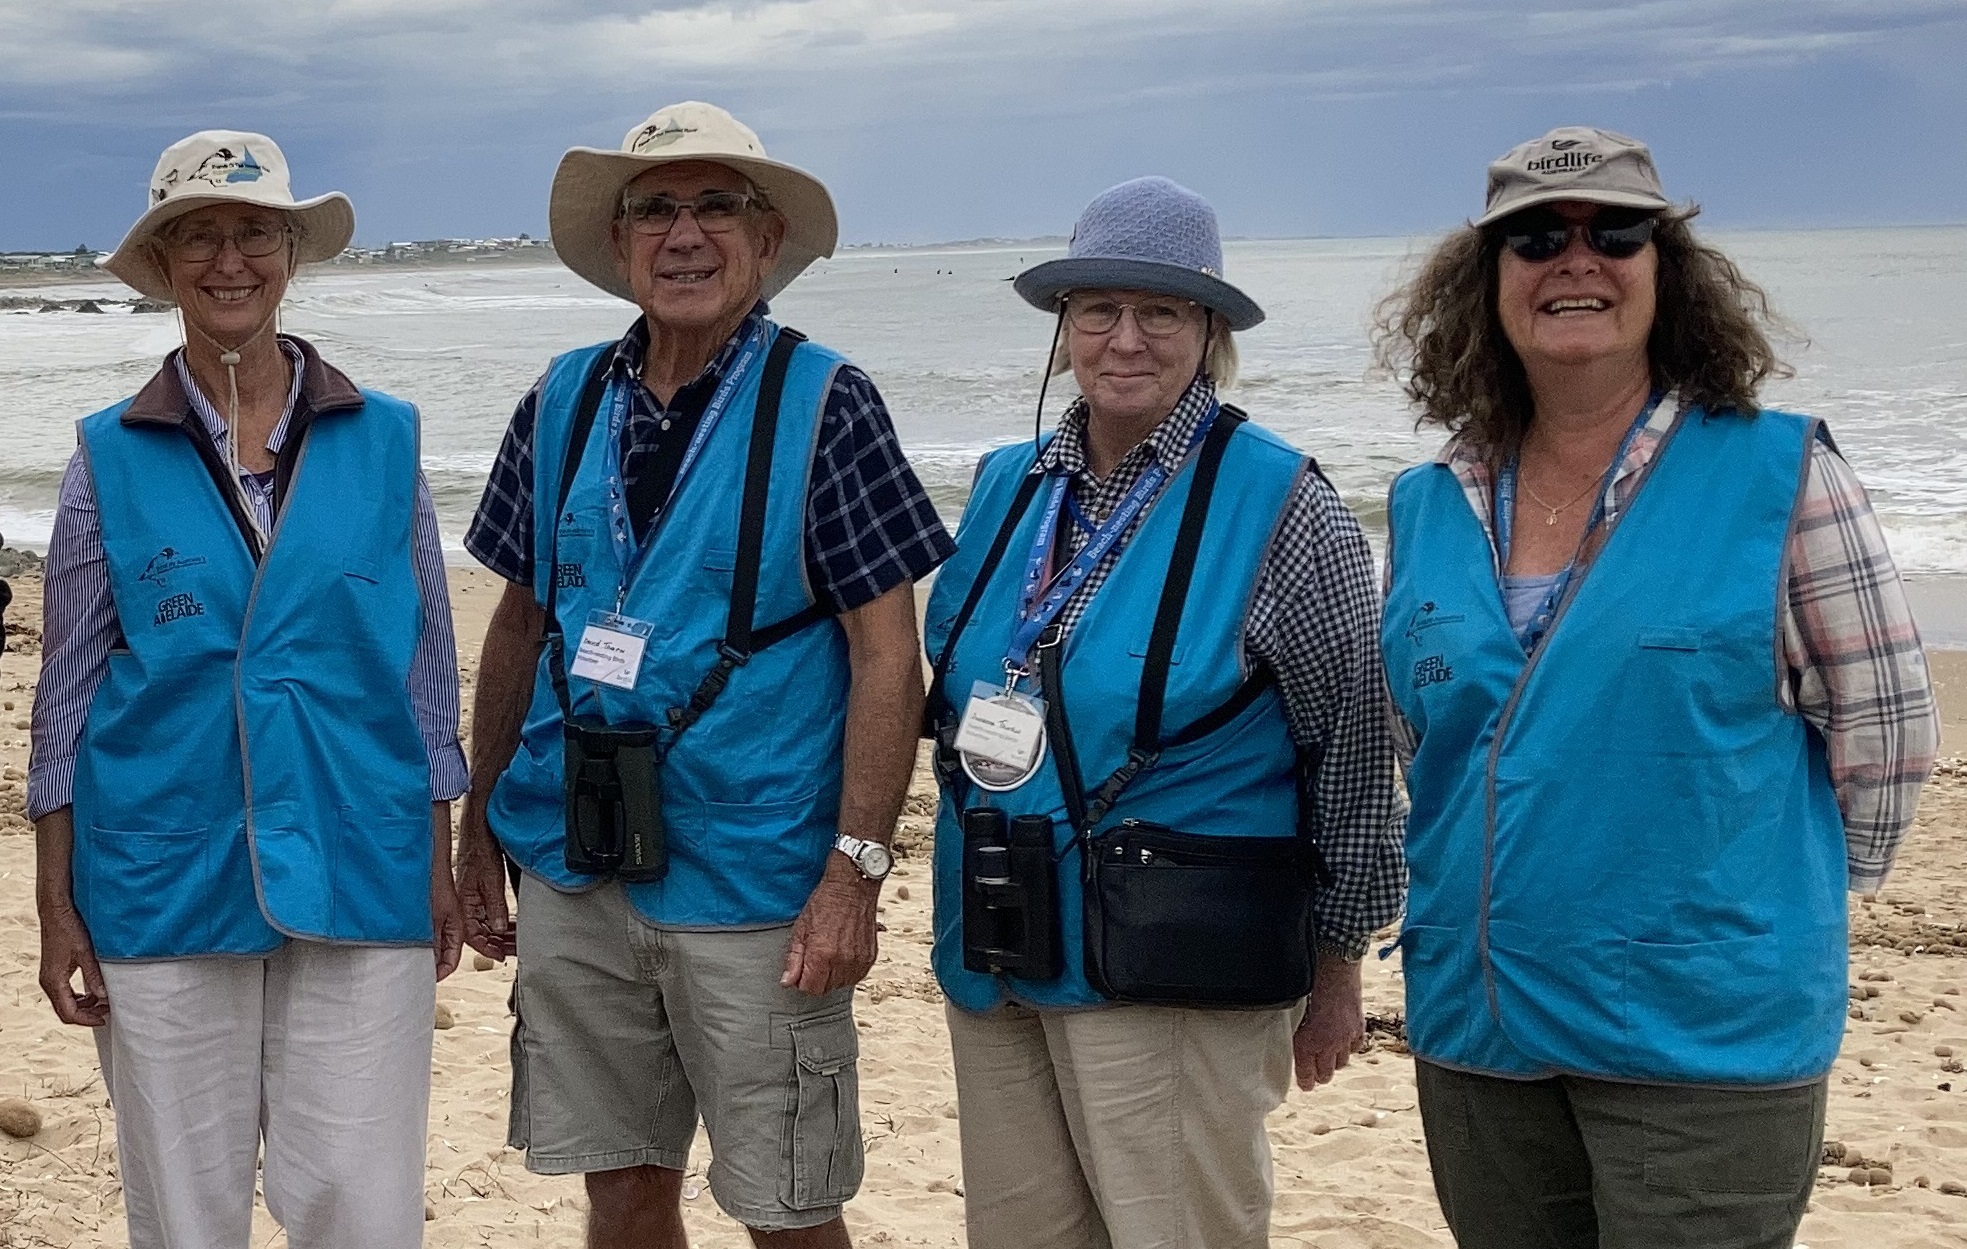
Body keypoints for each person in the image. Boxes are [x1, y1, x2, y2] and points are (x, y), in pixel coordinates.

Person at [1375, 126, 1940, 1248]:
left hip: (1701, 1045)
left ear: (1663, 272)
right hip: (1478, 1035)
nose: (1574, 260)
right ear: (1483, 284)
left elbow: (1886, 740)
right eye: (1535, 238)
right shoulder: (1427, 498)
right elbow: (1426, 739)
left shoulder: (1782, 475)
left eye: (1614, 233)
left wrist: (1755, 912)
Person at [453, 101, 952, 1248]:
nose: (685, 234)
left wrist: (854, 872)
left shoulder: (827, 401)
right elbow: (519, 624)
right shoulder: (562, 397)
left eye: (715, 206)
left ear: (765, 240)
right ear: (621, 243)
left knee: (786, 1202)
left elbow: (889, 653)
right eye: (655, 210)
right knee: (619, 1184)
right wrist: (477, 827)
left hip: (761, 881)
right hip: (576, 866)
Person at [922, 176, 1405, 1249]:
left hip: (1174, 957)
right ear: (1063, 326)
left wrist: (1337, 964)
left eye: (1163, 312)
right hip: (999, 942)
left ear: (1210, 331)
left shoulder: (1284, 502)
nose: (1124, 339)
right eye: (1096, 309)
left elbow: (1355, 754)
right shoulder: (1008, 484)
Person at [29, 130, 467, 1248]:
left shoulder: (385, 439)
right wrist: (54, 895)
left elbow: (423, 670)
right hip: (161, 866)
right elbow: (68, 689)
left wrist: (439, 853)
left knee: (357, 1203)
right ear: (166, 263)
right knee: (184, 1210)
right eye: (199, 237)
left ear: (288, 253)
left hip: (362, 850)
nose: (231, 260)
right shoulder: (107, 454)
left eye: (254, 234)